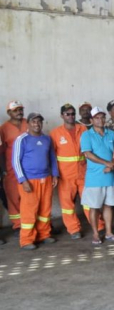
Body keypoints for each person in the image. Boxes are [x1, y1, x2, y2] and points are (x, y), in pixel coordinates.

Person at [12, 113, 58, 250]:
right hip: (29, 180)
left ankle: (44, 235)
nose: (36, 124)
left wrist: (55, 174)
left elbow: (52, 158)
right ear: (28, 123)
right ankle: (26, 240)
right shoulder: (22, 139)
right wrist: (23, 180)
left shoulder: (46, 139)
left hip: (46, 179)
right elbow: (15, 162)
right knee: (29, 210)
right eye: (33, 121)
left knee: (45, 209)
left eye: (39, 121)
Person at [50, 104, 95, 239]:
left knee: (90, 202)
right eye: (67, 114)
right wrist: (55, 174)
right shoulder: (55, 133)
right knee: (67, 205)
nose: (71, 116)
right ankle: (74, 229)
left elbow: (91, 150)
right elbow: (51, 156)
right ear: (62, 116)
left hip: (84, 172)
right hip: (65, 175)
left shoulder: (83, 130)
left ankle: (97, 225)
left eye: (72, 113)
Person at [80, 107, 114, 245]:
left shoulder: (112, 134)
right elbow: (88, 154)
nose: (101, 120)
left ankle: (109, 232)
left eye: (102, 117)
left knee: (109, 206)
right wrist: (107, 163)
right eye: (97, 118)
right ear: (91, 120)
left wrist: (112, 164)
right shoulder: (87, 135)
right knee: (94, 207)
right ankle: (96, 234)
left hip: (111, 177)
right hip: (94, 179)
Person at [1, 100, 27, 233]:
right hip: (11, 170)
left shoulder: (29, 123)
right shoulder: (3, 128)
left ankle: (35, 223)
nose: (19, 112)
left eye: (20, 109)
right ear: (9, 112)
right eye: (16, 110)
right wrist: (3, 170)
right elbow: (1, 150)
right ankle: (18, 225)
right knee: (13, 197)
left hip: (29, 168)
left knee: (30, 197)